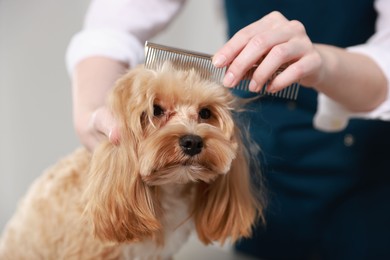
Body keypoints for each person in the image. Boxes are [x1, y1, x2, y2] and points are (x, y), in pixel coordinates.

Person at [66, 0, 390, 259]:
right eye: (159, 112)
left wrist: (324, 63)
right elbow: (112, 25)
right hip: (271, 163)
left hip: (370, 178)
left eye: (205, 113)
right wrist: (97, 110)